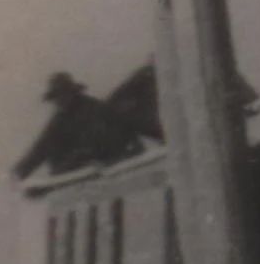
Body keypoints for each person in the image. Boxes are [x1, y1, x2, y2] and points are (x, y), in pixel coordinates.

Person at [11, 66, 160, 179]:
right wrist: (20, 173)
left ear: (71, 92)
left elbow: (110, 136)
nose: (59, 101)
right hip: (82, 167)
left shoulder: (94, 110)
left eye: (62, 95)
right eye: (56, 97)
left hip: (109, 161)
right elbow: (41, 148)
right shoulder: (58, 121)